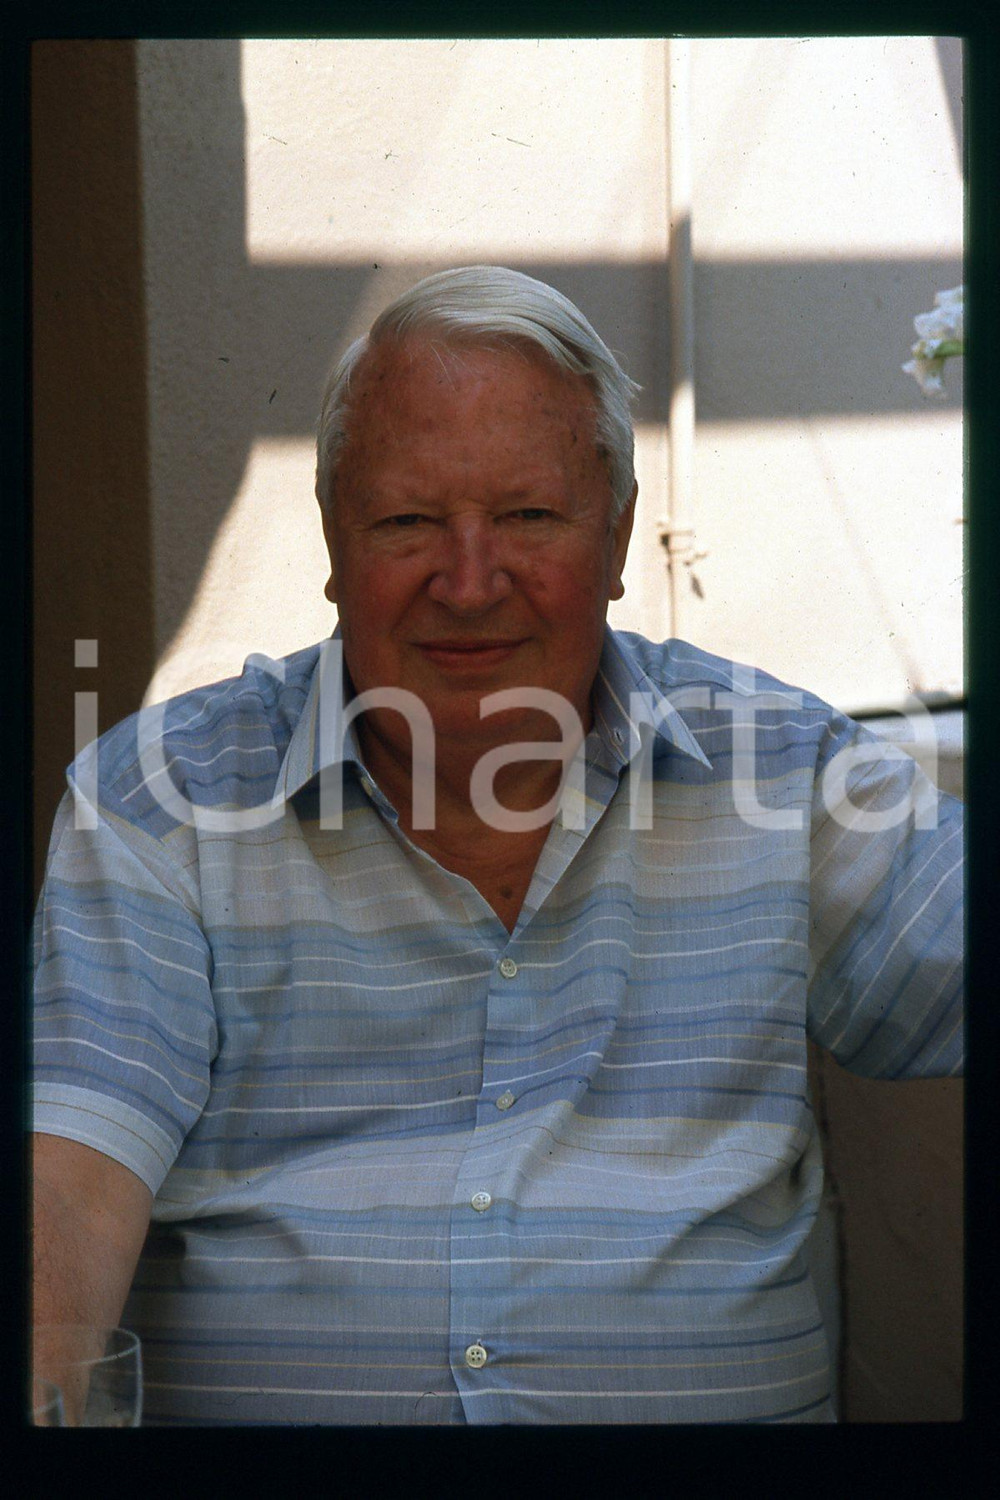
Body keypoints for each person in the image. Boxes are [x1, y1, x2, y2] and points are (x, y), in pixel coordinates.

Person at [31, 265, 963, 1426]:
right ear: (333, 541)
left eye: (528, 517)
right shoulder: (162, 798)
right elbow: (69, 1185)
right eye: (407, 521)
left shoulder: (780, 767)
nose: (469, 585)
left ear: (615, 535)